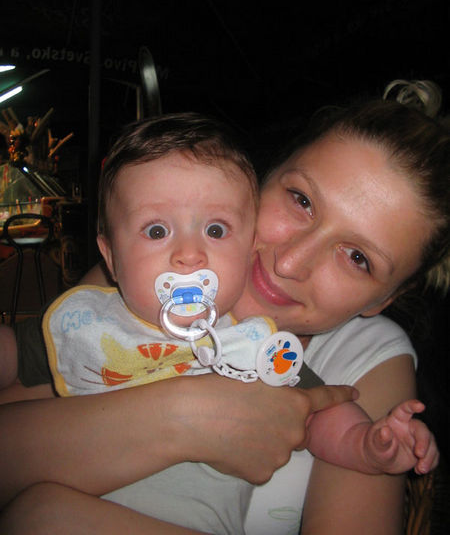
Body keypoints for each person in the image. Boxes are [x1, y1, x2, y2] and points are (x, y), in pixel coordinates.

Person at [0, 84, 448, 534]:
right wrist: (187, 418)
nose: (290, 263)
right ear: (262, 177)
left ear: (384, 300)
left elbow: (334, 420)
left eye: (357, 258)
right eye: (302, 200)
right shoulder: (142, 281)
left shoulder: (358, 360)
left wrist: (368, 443)